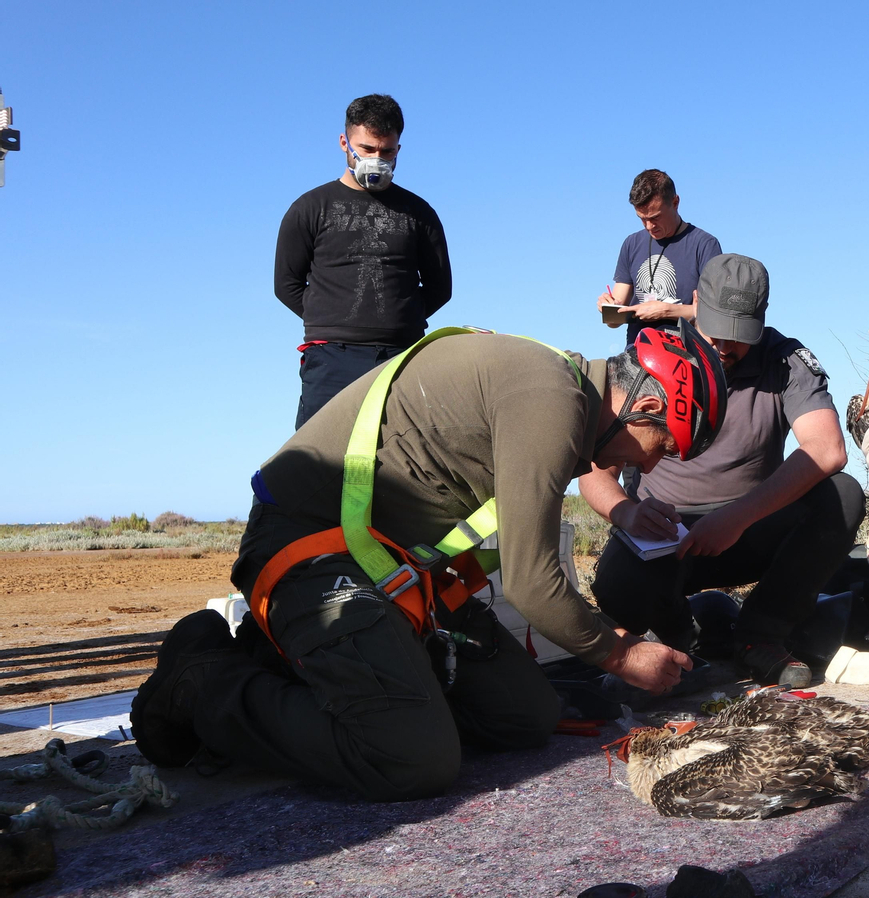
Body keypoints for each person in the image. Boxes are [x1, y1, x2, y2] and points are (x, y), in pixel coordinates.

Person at [130, 326, 727, 801]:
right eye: (664, 447)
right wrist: (622, 656)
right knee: (411, 758)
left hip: (388, 570)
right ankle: (201, 683)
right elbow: (531, 579)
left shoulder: (555, 387)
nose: (648, 468)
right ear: (646, 403)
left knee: (526, 715)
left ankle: (317, 669)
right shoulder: (553, 399)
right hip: (307, 552)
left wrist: (605, 639)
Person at [580, 254, 864, 688]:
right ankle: (680, 637)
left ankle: (761, 636)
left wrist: (736, 517)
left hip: (748, 528)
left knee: (842, 495)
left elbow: (827, 449)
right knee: (617, 584)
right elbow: (594, 470)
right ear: (694, 303)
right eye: (715, 331)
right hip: (665, 538)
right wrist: (627, 513)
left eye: (740, 336)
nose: (724, 347)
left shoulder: (785, 360)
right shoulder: (651, 357)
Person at [275, 94, 452, 429]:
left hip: (402, 357)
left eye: (387, 151)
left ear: (399, 148)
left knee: (402, 459)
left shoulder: (420, 213)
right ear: (345, 143)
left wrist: (400, 320)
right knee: (322, 460)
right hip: (329, 359)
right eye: (367, 149)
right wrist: (332, 319)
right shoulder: (310, 207)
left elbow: (440, 287)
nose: (377, 158)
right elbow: (286, 284)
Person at [595, 169, 722, 342]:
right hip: (637, 356)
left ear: (675, 202)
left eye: (655, 217)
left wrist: (665, 311)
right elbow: (614, 321)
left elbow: (715, 313)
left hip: (685, 356)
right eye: (642, 218)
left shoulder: (705, 244)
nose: (648, 226)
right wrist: (608, 307)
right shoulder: (631, 244)